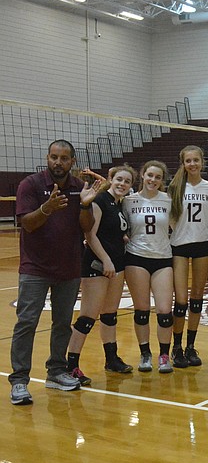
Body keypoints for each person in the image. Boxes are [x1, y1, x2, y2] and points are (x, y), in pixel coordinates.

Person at [9, 139, 102, 404]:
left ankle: (56, 371)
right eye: (53, 157)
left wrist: (85, 204)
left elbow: (86, 227)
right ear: (47, 158)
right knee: (26, 322)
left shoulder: (77, 187)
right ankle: (19, 380)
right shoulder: (31, 185)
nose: (58, 162)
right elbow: (27, 224)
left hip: (69, 267)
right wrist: (46, 209)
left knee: (62, 323)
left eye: (63, 158)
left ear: (72, 161)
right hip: (35, 268)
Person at [64, 165, 135, 385]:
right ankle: (72, 365)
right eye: (119, 180)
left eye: (127, 181)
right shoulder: (100, 200)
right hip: (97, 265)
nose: (123, 184)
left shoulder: (119, 204)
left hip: (116, 265)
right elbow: (90, 235)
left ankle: (111, 359)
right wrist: (105, 260)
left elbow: (113, 230)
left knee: (109, 314)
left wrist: (123, 239)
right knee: (87, 317)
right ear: (111, 180)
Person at [168, 145, 208, 368]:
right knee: (180, 301)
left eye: (196, 160)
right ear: (183, 163)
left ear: (202, 162)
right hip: (179, 246)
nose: (192, 164)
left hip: (201, 246)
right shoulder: (174, 187)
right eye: (188, 161)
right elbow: (169, 218)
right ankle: (176, 347)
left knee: (197, 298)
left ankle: (190, 346)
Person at [123, 161, 174, 373]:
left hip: (163, 258)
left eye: (158, 177)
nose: (153, 180)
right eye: (150, 175)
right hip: (136, 257)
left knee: (164, 311)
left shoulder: (169, 200)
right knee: (142, 310)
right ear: (142, 175)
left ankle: (164, 355)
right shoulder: (128, 201)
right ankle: (145, 354)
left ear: (162, 180)